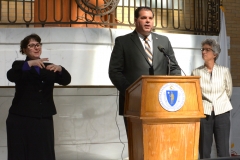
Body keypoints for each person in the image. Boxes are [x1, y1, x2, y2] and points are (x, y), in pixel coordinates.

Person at [108, 6, 181, 128]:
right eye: (143, 18)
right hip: (134, 104)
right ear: (136, 20)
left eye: (150, 18)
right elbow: (114, 72)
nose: (148, 21)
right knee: (137, 143)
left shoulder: (163, 41)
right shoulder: (123, 42)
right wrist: (131, 92)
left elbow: (174, 68)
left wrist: (171, 87)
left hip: (161, 102)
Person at [6, 33, 71, 160]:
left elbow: (66, 80)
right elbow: (11, 75)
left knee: (43, 153)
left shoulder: (48, 66)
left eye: (38, 44)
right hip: (21, 118)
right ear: (24, 49)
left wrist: (60, 69)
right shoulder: (20, 66)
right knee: (20, 153)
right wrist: (30, 64)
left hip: (43, 117)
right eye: (31, 45)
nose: (36, 47)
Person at [191, 39, 232, 158]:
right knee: (204, 149)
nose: (203, 52)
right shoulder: (196, 72)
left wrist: (219, 104)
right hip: (204, 114)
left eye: (207, 49)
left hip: (222, 113)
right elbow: (195, 93)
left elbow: (228, 91)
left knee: (223, 149)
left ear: (215, 54)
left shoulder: (224, 71)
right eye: (202, 49)